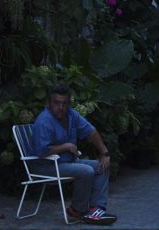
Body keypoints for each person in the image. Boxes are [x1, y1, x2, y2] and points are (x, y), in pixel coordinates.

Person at [32, 83, 117, 225]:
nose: (61, 107)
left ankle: (96, 209)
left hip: (66, 162)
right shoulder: (44, 121)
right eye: (56, 103)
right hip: (45, 166)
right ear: (48, 103)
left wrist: (104, 152)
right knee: (86, 171)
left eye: (64, 103)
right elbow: (41, 151)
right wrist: (66, 146)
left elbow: (90, 131)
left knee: (101, 166)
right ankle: (77, 210)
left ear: (69, 104)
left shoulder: (70, 114)